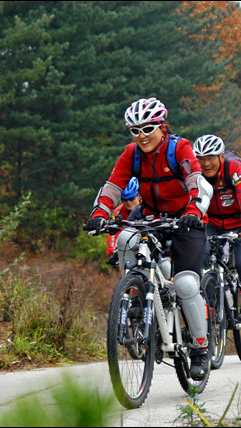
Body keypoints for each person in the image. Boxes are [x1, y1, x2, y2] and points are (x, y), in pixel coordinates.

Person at [84, 97, 213, 381]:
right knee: (124, 239)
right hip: (151, 217)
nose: (141, 136)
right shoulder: (132, 154)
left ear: (162, 126)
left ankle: (200, 347)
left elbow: (196, 180)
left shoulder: (179, 148)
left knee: (186, 283)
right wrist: (100, 212)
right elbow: (113, 185)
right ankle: (134, 294)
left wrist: (193, 211)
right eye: (135, 130)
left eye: (147, 129)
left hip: (186, 219)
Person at [191, 134, 241, 330]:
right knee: (201, 257)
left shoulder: (233, 169)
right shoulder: (195, 173)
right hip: (211, 223)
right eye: (201, 159)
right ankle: (210, 304)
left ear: (221, 157)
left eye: (210, 158)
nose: (206, 164)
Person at [106, 177, 142, 268]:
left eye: (131, 199)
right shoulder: (119, 212)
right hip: (129, 246)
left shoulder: (148, 207)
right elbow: (114, 233)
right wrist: (112, 253)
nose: (128, 202)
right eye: (125, 200)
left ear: (139, 196)